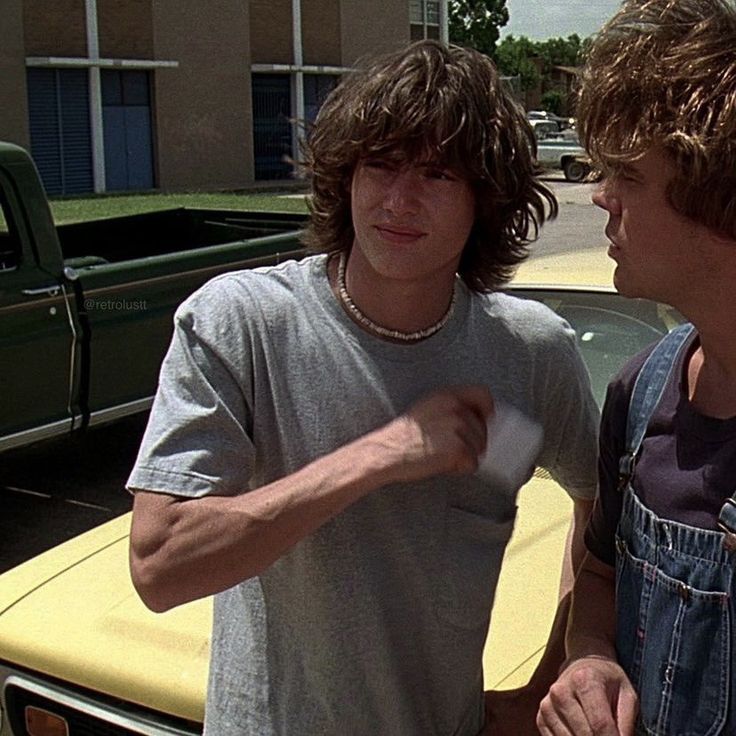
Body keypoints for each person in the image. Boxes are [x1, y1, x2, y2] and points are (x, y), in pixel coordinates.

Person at [127, 39, 599, 736]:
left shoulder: (525, 355)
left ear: (484, 200)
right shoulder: (242, 324)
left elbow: (601, 510)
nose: (399, 199)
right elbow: (160, 565)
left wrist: (553, 674)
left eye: (437, 174)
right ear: (345, 176)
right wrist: (380, 456)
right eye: (380, 164)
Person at [537, 1, 736, 734]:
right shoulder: (639, 387)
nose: (599, 195)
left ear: (717, 195)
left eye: (625, 172)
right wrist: (587, 659)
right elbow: (599, 577)